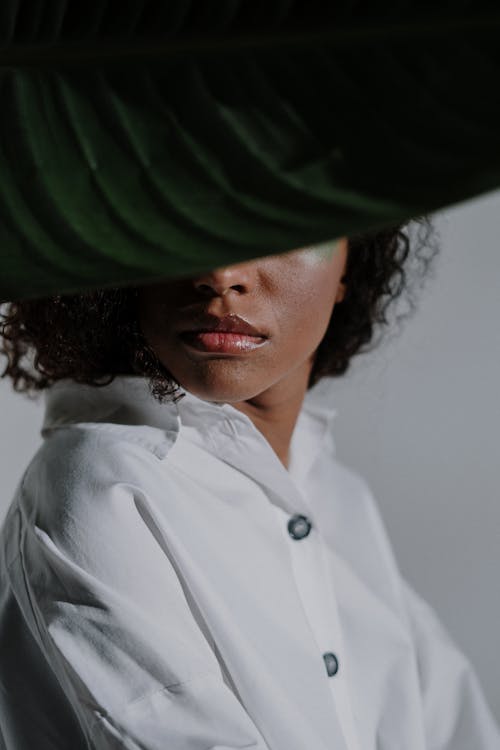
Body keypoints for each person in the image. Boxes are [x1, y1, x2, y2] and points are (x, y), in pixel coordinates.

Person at [0, 221, 498, 750]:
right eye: (180, 218)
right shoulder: (102, 483)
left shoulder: (336, 496)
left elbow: (459, 726)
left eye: (283, 225)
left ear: (351, 258)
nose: (221, 275)